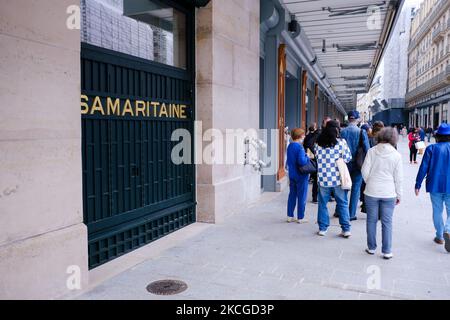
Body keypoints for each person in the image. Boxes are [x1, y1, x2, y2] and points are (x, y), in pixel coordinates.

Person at [361, 128, 403, 260]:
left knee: (371, 220)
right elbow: (399, 178)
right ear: (393, 139)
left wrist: (370, 181)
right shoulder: (396, 155)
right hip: (389, 192)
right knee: (387, 222)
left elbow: (364, 170)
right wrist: (399, 194)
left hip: (371, 191)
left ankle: (371, 247)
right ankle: (387, 251)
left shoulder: (372, 151)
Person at [415, 123, 450, 251]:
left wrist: (417, 184)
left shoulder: (431, 149)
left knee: (437, 210)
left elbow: (423, 167)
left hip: (434, 184)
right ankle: (448, 230)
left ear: (438, 136)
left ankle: (440, 236)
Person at [314, 120, 353, 237]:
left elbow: (317, 158)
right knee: (342, 204)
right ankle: (346, 229)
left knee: (322, 204)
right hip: (338, 179)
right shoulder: (341, 143)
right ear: (337, 130)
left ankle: (322, 228)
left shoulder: (317, 143)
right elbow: (348, 158)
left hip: (323, 178)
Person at [340, 110, 370, 221]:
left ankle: (340, 211)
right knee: (356, 188)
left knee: (344, 187)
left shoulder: (342, 131)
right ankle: (351, 214)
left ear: (348, 119)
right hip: (358, 164)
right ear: (357, 119)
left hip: (344, 164)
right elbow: (367, 149)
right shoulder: (362, 132)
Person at [286, 128, 310, 223]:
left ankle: (289, 215)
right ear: (300, 136)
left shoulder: (290, 146)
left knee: (292, 195)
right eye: (303, 135)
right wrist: (307, 156)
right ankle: (301, 217)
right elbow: (302, 161)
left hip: (292, 174)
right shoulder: (300, 147)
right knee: (302, 196)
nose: (304, 137)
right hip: (301, 175)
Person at [303, 123, 320, 203]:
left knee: (311, 175)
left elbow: (306, 144)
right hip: (313, 157)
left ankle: (314, 197)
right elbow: (309, 144)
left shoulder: (308, 135)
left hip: (307, 156)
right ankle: (315, 197)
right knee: (316, 177)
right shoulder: (316, 135)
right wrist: (315, 152)